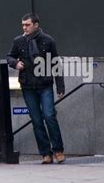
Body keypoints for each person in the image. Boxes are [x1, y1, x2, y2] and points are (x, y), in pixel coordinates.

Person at [7, 12, 65, 164]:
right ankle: (45, 153)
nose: (24, 27)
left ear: (36, 25)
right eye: (23, 25)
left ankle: (58, 150)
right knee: (36, 120)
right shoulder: (18, 41)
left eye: (27, 24)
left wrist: (60, 86)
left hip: (45, 85)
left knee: (49, 116)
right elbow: (9, 57)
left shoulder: (48, 40)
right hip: (28, 86)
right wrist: (15, 63)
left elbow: (56, 64)